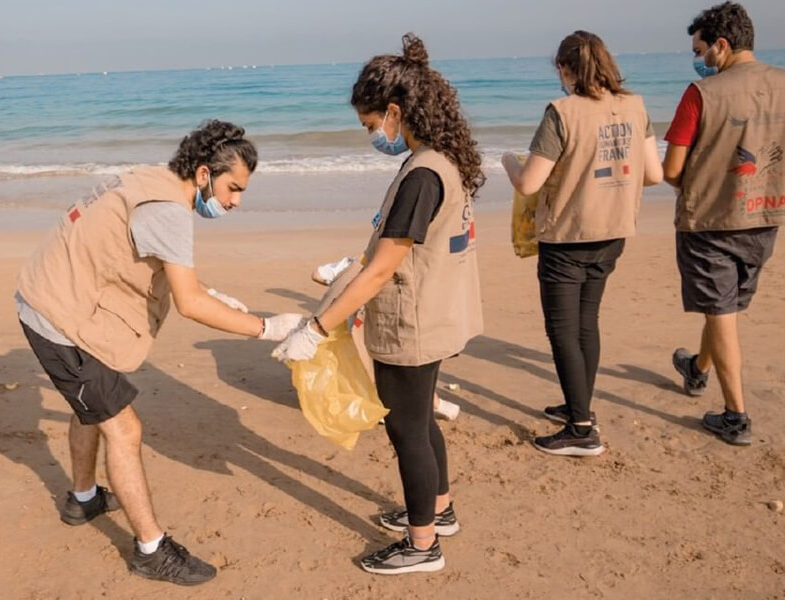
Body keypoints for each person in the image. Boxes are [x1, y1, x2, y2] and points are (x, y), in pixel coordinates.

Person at [14, 120, 303, 585]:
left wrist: (214, 293)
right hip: (58, 316)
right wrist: (268, 328)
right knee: (124, 429)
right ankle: (151, 549)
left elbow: (172, 270)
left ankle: (83, 498)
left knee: (91, 407)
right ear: (205, 173)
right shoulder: (168, 209)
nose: (236, 201)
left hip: (56, 294)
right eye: (233, 188)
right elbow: (189, 305)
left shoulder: (153, 178)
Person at [273, 34, 484, 575]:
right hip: (438, 314)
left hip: (414, 322)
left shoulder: (421, 174)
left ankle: (421, 546)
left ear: (394, 111)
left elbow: (383, 266)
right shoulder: (440, 160)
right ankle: (439, 511)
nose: (373, 136)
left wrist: (317, 328)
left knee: (406, 430)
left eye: (372, 126)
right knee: (421, 420)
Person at [662, 2, 785, 446]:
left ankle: (735, 416)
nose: (697, 58)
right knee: (724, 306)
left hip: (711, 219)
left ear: (721, 45)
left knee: (722, 312)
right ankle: (697, 368)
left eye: (700, 49)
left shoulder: (701, 93)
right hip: (768, 214)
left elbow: (672, 169)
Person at [501, 31, 663, 457]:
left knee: (562, 331)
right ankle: (579, 406)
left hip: (569, 236)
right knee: (586, 322)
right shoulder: (635, 106)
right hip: (614, 232)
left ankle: (581, 428)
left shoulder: (562, 112)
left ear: (565, 69)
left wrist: (509, 162)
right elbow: (654, 174)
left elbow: (529, 182)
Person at [311, 256, 461, 421]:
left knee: (376, 368)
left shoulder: (355, 265)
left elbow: (318, 274)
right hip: (404, 326)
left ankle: (385, 406)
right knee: (412, 369)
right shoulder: (408, 266)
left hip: (367, 330)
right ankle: (434, 404)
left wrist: (343, 281)